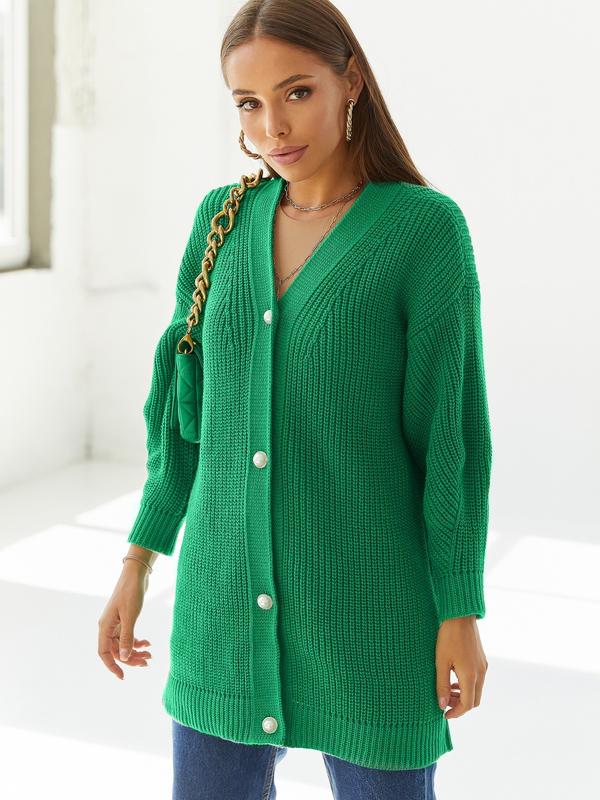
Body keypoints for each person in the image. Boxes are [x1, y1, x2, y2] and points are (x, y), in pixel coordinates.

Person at [98, 1, 492, 797]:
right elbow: (183, 420)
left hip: (373, 619)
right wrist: (138, 560)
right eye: (248, 103)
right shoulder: (221, 221)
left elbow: (449, 439)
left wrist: (460, 608)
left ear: (351, 82)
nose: (272, 126)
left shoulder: (424, 231)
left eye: (297, 92)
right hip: (219, 618)